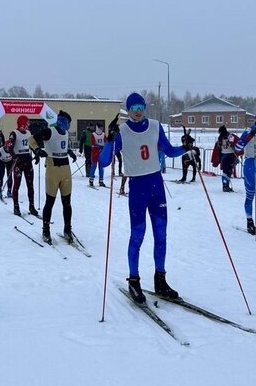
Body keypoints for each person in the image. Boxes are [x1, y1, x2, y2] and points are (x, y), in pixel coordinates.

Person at [99, 92, 188, 305]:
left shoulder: (156, 126)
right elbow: (103, 162)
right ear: (128, 110)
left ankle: (160, 280)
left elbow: (169, 150)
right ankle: (134, 280)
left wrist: (187, 147)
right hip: (138, 188)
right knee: (138, 235)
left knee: (161, 234)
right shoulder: (122, 131)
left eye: (141, 106)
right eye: (133, 107)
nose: (138, 111)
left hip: (156, 185)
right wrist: (110, 141)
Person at [31, 110, 78, 243]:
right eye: (65, 122)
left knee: (67, 202)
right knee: (50, 202)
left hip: (65, 169)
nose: (67, 125)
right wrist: (37, 150)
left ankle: (67, 229)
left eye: (68, 123)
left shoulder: (66, 133)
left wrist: (70, 152)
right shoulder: (50, 131)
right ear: (60, 121)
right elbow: (32, 140)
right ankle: (46, 230)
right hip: (52, 168)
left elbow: (62, 146)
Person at [7, 115, 38, 217]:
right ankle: (16, 206)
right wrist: (14, 156)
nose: (28, 125)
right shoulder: (14, 133)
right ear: (22, 123)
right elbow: (10, 147)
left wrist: (36, 154)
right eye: (27, 123)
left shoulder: (28, 133)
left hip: (28, 160)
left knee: (30, 185)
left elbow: (32, 145)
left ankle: (32, 206)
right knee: (17, 184)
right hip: (18, 162)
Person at [216, 125, 238, 192]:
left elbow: (233, 143)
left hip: (226, 155)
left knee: (226, 171)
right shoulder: (223, 137)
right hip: (228, 155)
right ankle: (225, 186)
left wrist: (231, 144)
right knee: (227, 171)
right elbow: (219, 146)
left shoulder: (226, 136)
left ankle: (226, 185)